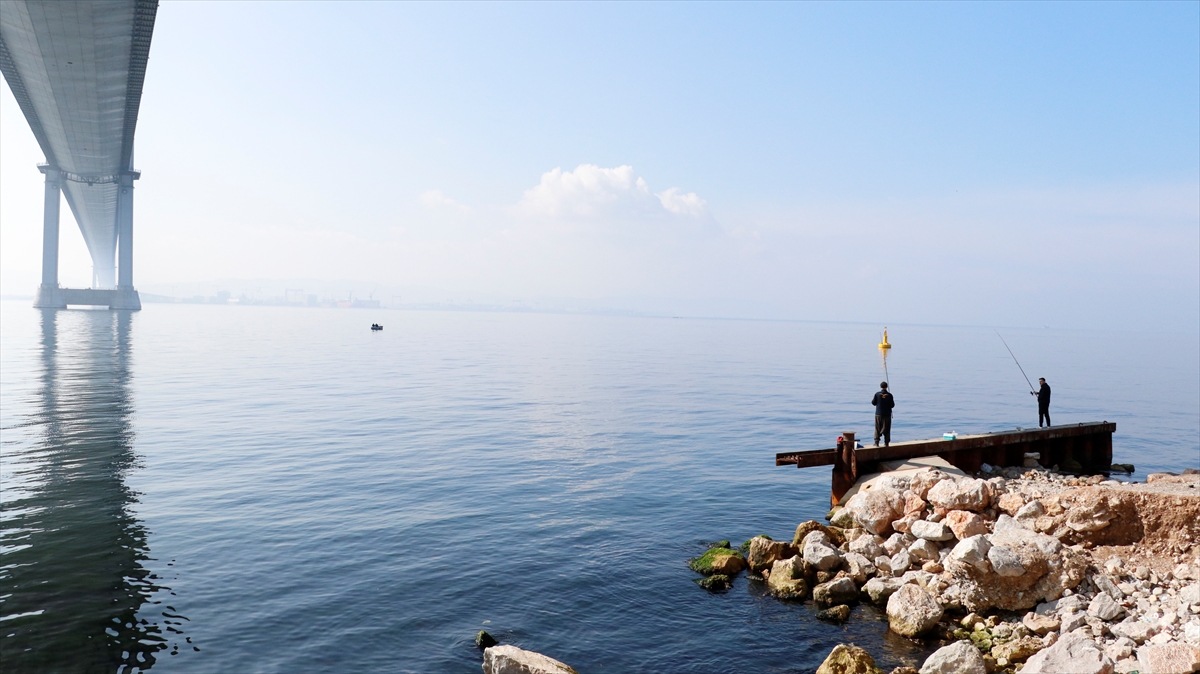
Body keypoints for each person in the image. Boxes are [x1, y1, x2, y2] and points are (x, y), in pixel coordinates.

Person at [871, 381, 895, 447]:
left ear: (880, 387)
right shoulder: (890, 395)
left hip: (878, 414)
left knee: (877, 428)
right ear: (887, 387)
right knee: (887, 429)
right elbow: (892, 405)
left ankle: (876, 442)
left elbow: (873, 403)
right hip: (887, 414)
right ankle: (886, 443)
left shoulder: (877, 394)